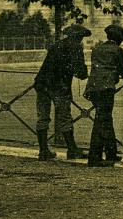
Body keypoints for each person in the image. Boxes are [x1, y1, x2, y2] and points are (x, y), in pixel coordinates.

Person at [34, 24, 91, 160]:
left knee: (43, 117)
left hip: (42, 84)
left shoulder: (56, 45)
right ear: (78, 37)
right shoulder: (76, 48)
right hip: (59, 87)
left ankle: (43, 151)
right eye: (81, 37)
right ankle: (72, 149)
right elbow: (81, 73)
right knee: (65, 117)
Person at [84, 25, 123, 167]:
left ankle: (111, 153)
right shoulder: (118, 51)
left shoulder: (97, 49)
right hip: (106, 88)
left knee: (105, 118)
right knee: (101, 120)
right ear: (119, 40)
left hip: (93, 88)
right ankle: (94, 158)